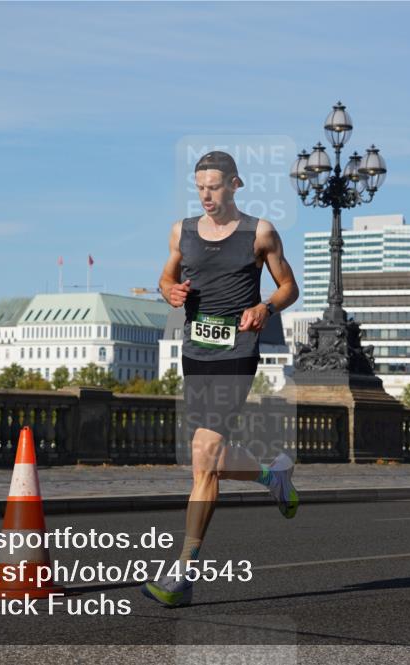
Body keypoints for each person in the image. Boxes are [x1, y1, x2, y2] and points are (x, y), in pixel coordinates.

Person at [142, 151, 300, 607]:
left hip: (237, 352)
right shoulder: (182, 231)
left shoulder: (260, 232)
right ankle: (273, 476)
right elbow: (166, 277)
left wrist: (265, 308)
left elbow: (289, 287)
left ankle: (183, 573)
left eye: (214, 186)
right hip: (196, 353)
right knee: (205, 459)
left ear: (235, 184)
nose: (206, 195)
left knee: (204, 455)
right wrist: (169, 291)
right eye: (200, 188)